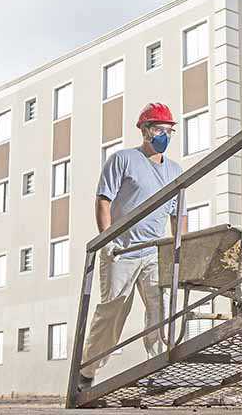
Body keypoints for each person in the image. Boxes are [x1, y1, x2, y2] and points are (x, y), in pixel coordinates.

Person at [78, 102, 187, 390]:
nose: (164, 135)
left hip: (154, 253)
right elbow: (104, 200)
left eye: (169, 131)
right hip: (121, 252)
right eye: (159, 129)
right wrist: (107, 240)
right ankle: (87, 372)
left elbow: (179, 215)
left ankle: (158, 370)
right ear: (146, 131)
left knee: (160, 310)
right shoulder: (122, 159)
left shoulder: (175, 171)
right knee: (113, 314)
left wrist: (179, 250)